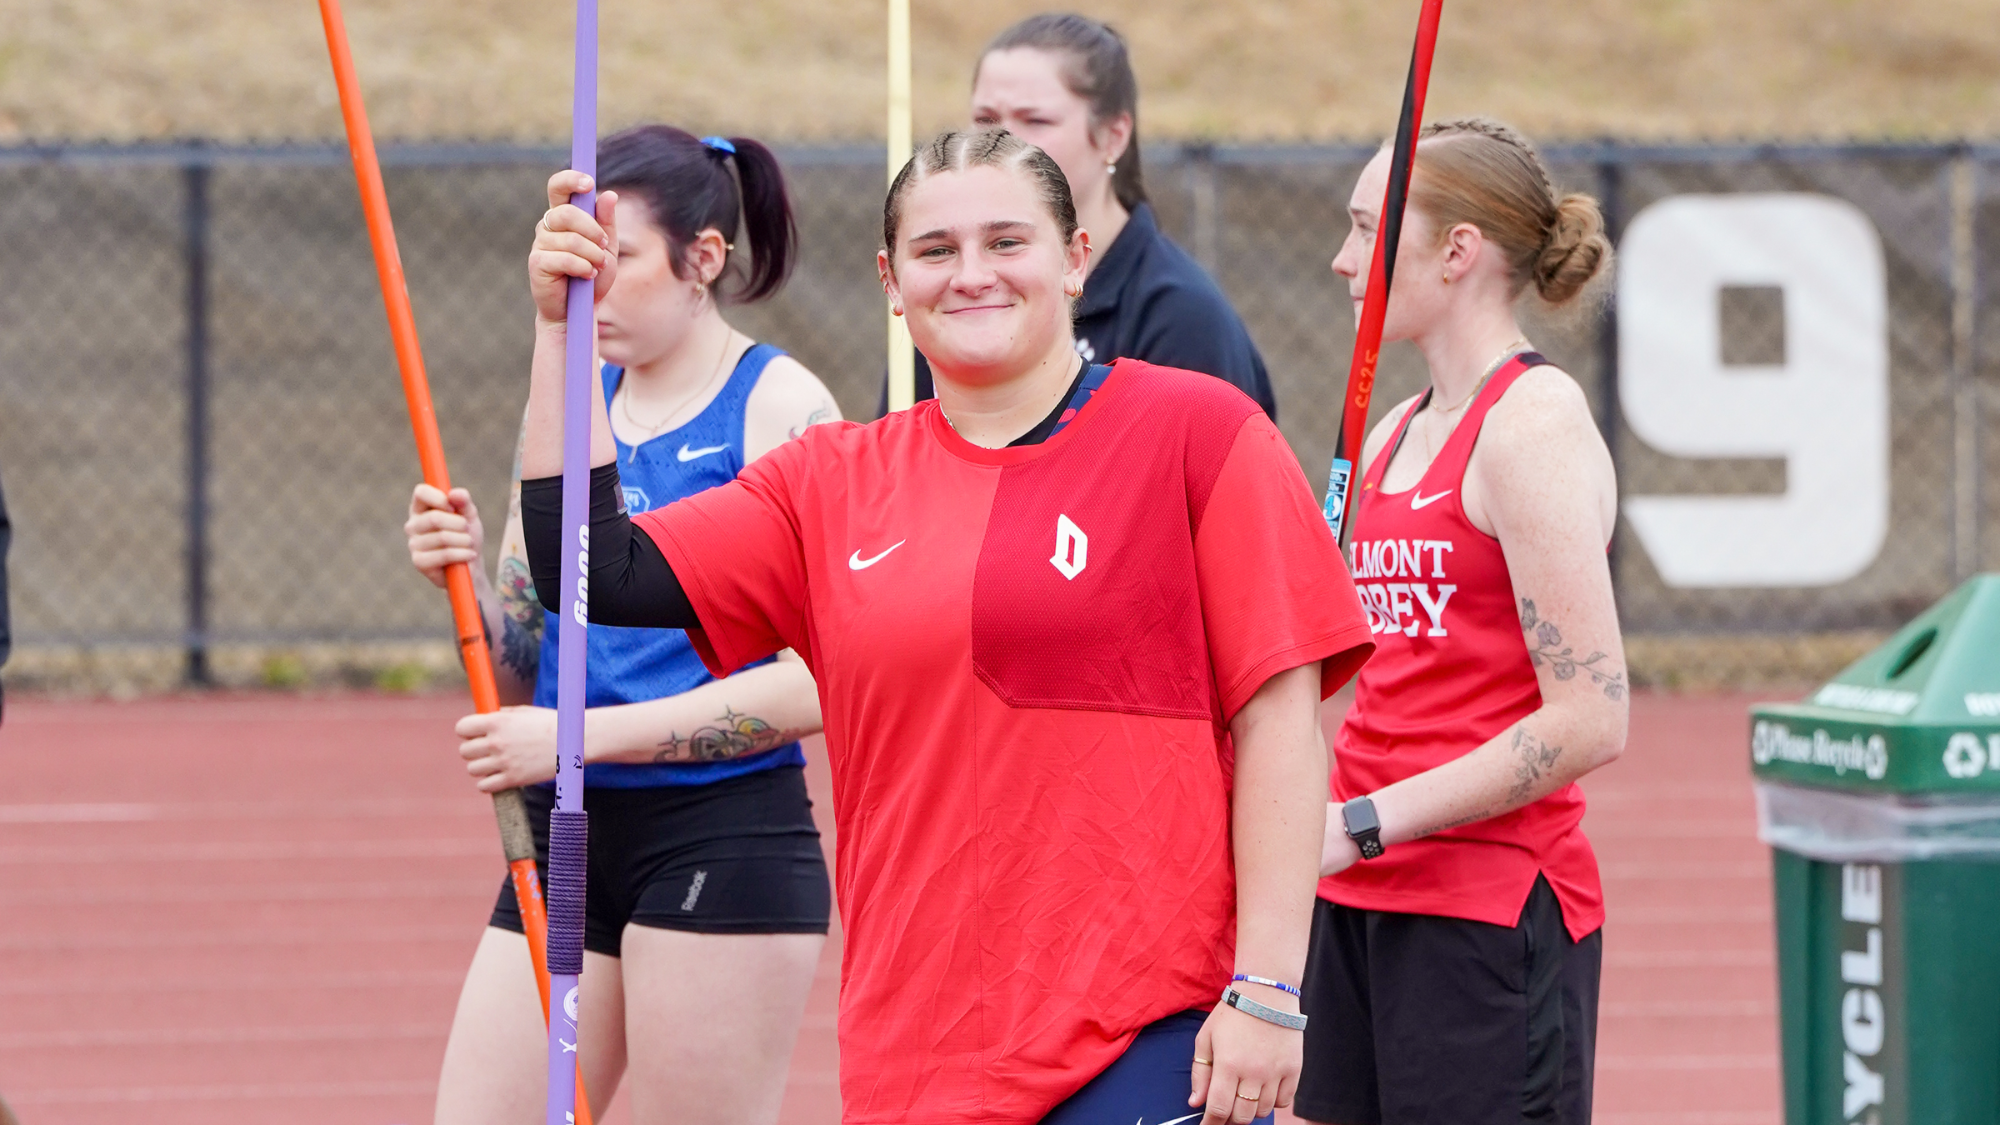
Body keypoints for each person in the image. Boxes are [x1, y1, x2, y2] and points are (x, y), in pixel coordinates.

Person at [519, 128, 1375, 1125]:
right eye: (935, 251)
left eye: (1006, 242)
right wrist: (558, 336)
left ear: (1074, 260)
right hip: (917, 1051)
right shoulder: (829, 482)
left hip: (1151, 1029)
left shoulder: (1199, 432)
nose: (971, 274)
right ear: (891, 280)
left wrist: (1268, 987)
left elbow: (1281, 716)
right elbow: (587, 572)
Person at [403, 125, 844, 1125]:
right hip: (567, 834)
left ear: (703, 260)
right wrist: (465, 588)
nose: (582, 288)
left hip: (717, 840)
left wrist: (575, 739)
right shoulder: (574, 397)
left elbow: (820, 678)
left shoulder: (779, 408)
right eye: (573, 261)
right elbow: (521, 664)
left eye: (615, 261)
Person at [1297, 118, 1627, 1125]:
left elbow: (1589, 718)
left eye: (1364, 229)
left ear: (1454, 251)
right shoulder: (1393, 428)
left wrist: (1357, 826)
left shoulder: (1531, 428)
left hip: (1481, 914)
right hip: (1353, 903)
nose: (1339, 259)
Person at [885, 12, 1276, 418]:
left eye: (1035, 120)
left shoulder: (1182, 318)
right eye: (985, 121)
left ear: (1112, 136)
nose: (1002, 142)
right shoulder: (955, 298)